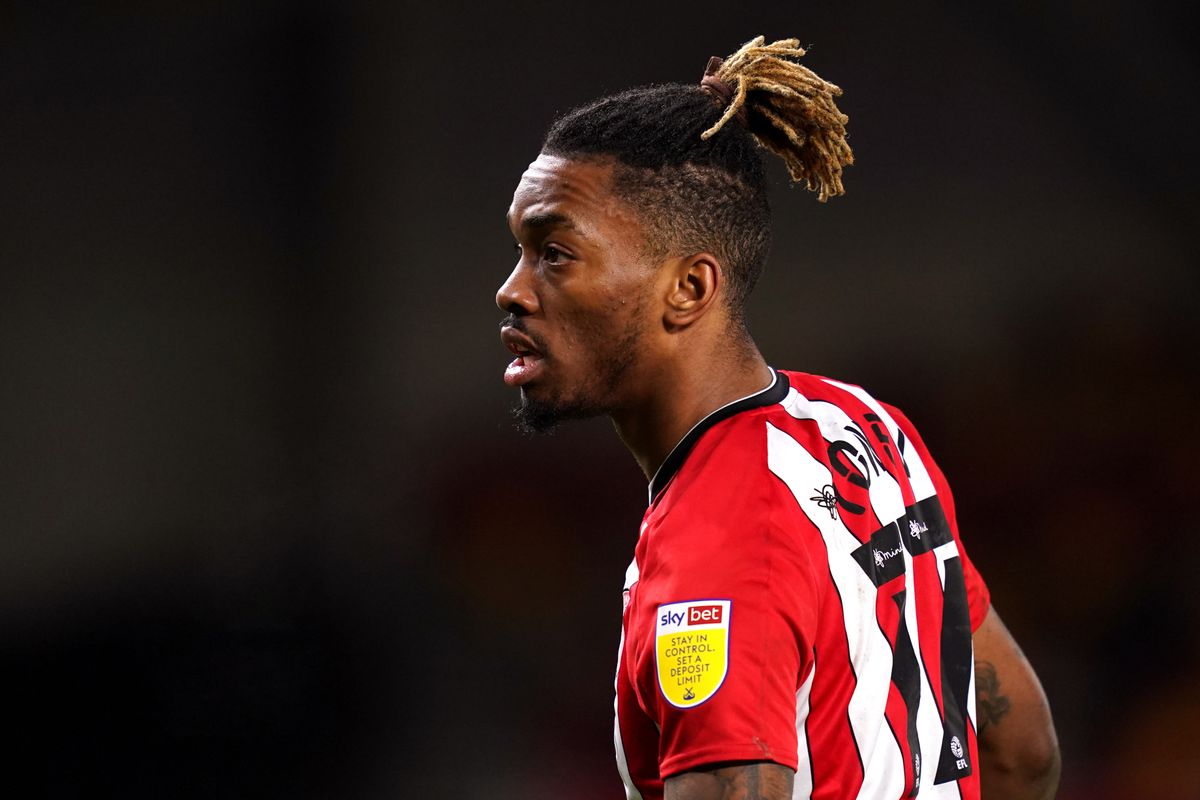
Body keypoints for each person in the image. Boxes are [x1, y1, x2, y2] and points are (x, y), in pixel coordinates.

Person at [495, 36, 1060, 800]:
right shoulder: (863, 425)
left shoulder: (720, 547)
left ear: (689, 289)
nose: (513, 290)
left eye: (555, 253)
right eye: (520, 251)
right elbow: (1023, 751)